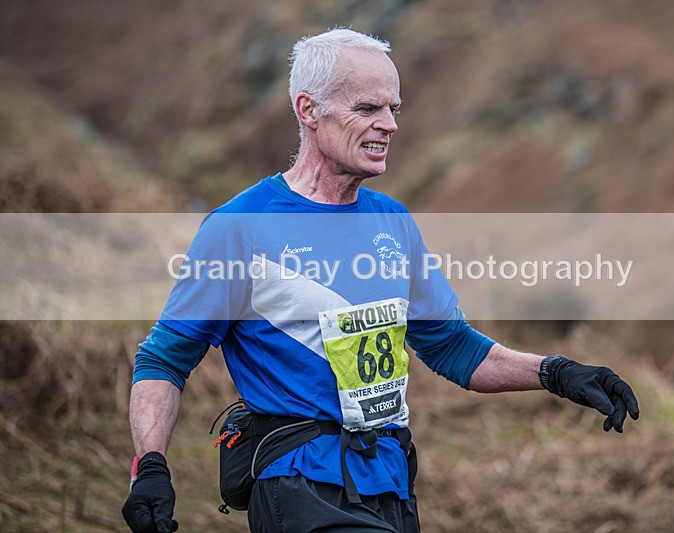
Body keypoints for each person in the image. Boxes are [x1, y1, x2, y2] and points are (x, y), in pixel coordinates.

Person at [122, 28, 639, 533]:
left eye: (394, 109)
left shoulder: (393, 222)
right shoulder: (240, 227)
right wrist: (150, 467)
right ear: (308, 111)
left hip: (390, 480)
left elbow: (454, 347)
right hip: (298, 479)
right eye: (368, 109)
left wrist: (558, 372)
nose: (388, 124)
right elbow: (164, 358)